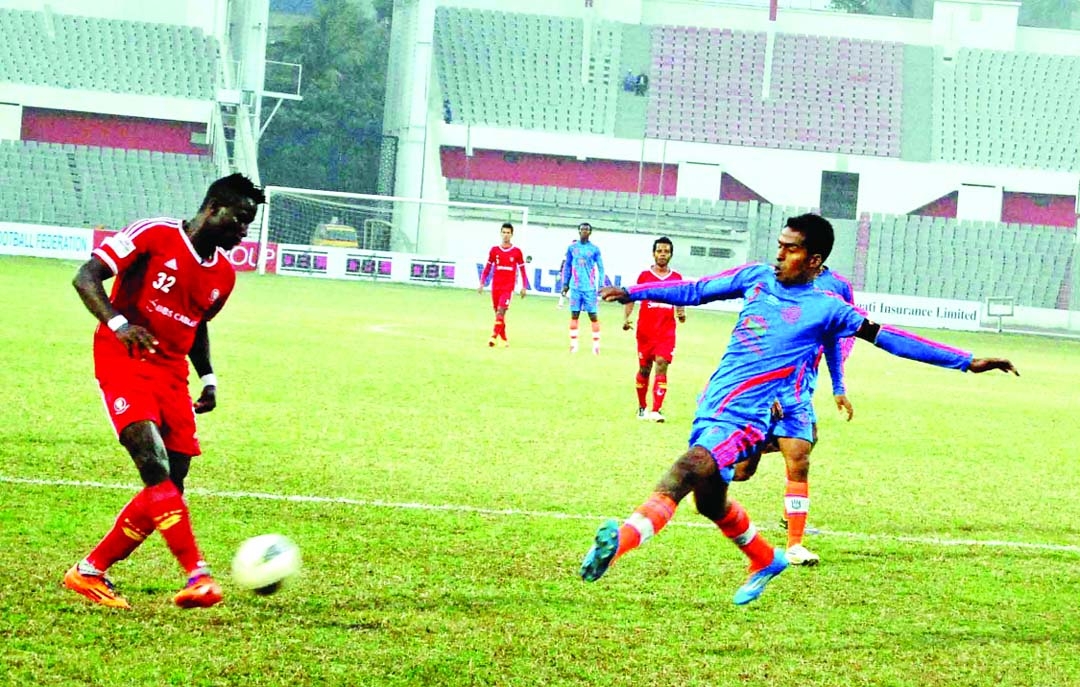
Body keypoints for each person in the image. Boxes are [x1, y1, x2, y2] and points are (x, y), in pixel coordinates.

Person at [579, 213, 1017, 605]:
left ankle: (618, 544)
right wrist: (633, 291)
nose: (779, 255)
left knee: (688, 467)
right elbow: (695, 290)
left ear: (814, 261)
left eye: (790, 249)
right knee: (710, 503)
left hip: (750, 418)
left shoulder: (828, 308)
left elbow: (892, 338)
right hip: (713, 403)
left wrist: (966, 361)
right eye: (779, 245)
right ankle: (765, 559)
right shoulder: (755, 278)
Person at [64, 173, 265, 610]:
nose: (244, 231)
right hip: (124, 359)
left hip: (172, 374)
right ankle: (198, 575)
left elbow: (197, 323)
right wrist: (120, 325)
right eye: (239, 219)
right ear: (212, 208)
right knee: (153, 464)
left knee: (174, 480)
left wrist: (208, 378)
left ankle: (89, 571)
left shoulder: (223, 276)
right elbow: (86, 277)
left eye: (249, 223)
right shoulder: (155, 234)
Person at [732, 264, 857, 567]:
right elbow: (757, 344)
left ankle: (795, 544)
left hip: (799, 396)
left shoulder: (831, 293)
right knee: (743, 471)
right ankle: (709, 475)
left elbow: (832, 344)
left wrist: (839, 388)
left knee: (800, 458)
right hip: (765, 390)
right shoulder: (775, 290)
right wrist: (767, 389)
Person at [623, 237, 685, 422]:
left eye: (666, 251)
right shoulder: (644, 276)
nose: (662, 255)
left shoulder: (676, 278)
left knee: (662, 363)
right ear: (653, 254)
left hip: (666, 331)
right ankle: (642, 407)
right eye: (659, 251)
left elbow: (681, 297)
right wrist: (627, 318)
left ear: (671, 255)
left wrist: (680, 311)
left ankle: (656, 410)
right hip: (645, 331)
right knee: (644, 369)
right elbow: (631, 297)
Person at [478, 221, 529, 347]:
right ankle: (505, 339)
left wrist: (524, 286)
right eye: (504, 232)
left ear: (512, 235)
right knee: (498, 314)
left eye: (508, 233)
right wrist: (482, 282)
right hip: (496, 286)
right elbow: (487, 268)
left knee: (501, 311)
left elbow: (522, 269)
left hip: (508, 287)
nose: (506, 235)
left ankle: (493, 337)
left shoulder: (517, 251)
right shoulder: (494, 250)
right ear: (501, 233)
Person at [560, 222, 605, 354]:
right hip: (575, 287)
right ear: (579, 231)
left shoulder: (594, 249)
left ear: (590, 232)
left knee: (593, 316)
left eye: (587, 230)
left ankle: (596, 346)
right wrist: (565, 283)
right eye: (582, 229)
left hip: (589, 288)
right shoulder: (572, 248)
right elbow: (567, 266)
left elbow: (601, 268)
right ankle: (574, 345)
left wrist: (600, 285)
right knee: (574, 315)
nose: (584, 231)